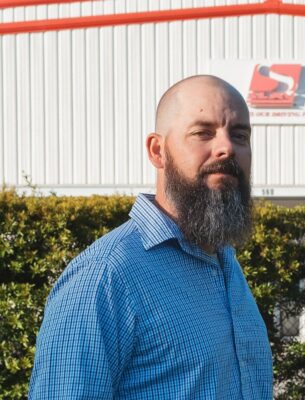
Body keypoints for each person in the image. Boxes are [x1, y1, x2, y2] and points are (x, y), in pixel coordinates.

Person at [29, 75, 273, 399]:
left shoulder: (223, 260)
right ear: (158, 151)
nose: (226, 147)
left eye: (240, 135)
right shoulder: (103, 278)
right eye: (203, 132)